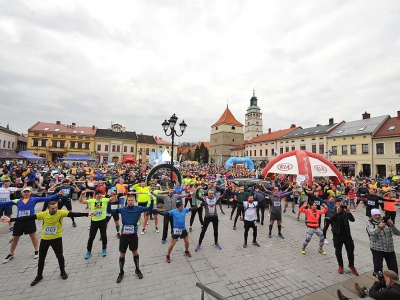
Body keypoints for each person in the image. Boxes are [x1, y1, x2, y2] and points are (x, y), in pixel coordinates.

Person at [1, 201, 89, 286]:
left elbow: (74, 214)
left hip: (56, 238)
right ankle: (39, 276)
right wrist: (11, 219)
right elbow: (28, 217)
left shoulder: (61, 213)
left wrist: (88, 214)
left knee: (60, 256)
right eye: (52, 208)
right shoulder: (43, 214)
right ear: (48, 208)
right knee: (41, 258)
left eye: (56, 208)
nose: (55, 210)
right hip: (45, 239)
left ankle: (63, 272)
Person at [1, 186, 63, 263]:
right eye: (25, 192)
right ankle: (11, 253)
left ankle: (36, 251)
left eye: (28, 192)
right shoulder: (17, 201)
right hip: (19, 221)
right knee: (15, 238)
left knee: (33, 236)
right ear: (22, 193)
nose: (26, 193)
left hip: (30, 221)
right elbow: (4, 203)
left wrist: (57, 194)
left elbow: (47, 199)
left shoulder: (34, 199)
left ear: (30, 192)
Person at [107, 193, 154, 283]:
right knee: (122, 254)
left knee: (135, 252)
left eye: (132, 200)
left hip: (133, 235)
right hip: (124, 235)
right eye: (129, 200)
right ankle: (121, 272)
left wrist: (151, 200)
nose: (130, 201)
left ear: (134, 201)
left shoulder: (138, 208)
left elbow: (149, 208)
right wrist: (109, 202)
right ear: (126, 201)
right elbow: (110, 211)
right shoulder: (122, 209)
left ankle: (137, 269)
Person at [79, 190, 112, 259]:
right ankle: (88, 251)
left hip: (103, 221)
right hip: (94, 221)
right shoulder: (91, 201)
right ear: (95, 195)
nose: (99, 195)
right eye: (98, 194)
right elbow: (81, 201)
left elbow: (113, 199)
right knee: (91, 237)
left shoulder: (105, 200)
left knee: (103, 236)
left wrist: (113, 194)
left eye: (100, 194)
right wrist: (81, 195)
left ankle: (104, 249)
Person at [367, 208, 400, 275]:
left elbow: (397, 233)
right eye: (375, 215)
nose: (377, 216)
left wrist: (392, 225)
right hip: (377, 249)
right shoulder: (370, 223)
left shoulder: (386, 222)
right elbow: (372, 233)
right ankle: (380, 283)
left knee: (394, 268)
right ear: (372, 215)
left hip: (389, 249)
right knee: (378, 269)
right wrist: (379, 227)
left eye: (379, 214)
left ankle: (394, 283)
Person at [330, 198, 358, 275]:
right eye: (338, 204)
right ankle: (340, 266)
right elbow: (330, 219)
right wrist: (337, 213)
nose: (340, 206)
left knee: (350, 251)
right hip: (337, 235)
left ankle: (351, 265)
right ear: (335, 204)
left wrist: (348, 212)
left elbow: (352, 220)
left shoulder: (345, 212)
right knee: (338, 251)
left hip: (347, 235)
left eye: (341, 204)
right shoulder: (333, 211)